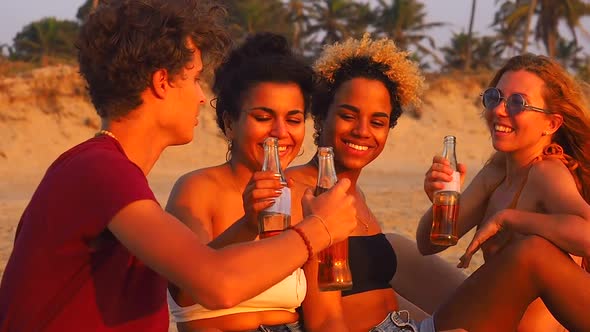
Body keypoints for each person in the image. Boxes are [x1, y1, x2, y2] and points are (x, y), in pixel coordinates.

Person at [0, 1, 358, 331]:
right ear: (162, 82)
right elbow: (218, 286)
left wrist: (249, 224)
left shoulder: (105, 170)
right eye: (194, 78)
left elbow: (190, 275)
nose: (202, 96)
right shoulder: (100, 171)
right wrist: (321, 228)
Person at [286, 34, 465, 332]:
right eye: (348, 115)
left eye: (378, 122)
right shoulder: (296, 191)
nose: (362, 131)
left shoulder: (358, 195)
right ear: (320, 116)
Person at [417, 54, 590, 331]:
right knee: (392, 251)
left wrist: (508, 218)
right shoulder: (496, 173)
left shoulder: (547, 172)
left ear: (552, 124)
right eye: (495, 97)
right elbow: (429, 245)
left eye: (517, 103)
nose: (499, 110)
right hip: (497, 322)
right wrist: (440, 203)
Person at [165, 32, 314, 332]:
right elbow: (184, 288)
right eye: (263, 117)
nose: (281, 132)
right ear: (230, 123)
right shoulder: (197, 188)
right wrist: (247, 225)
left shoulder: (303, 197)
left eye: (294, 120)